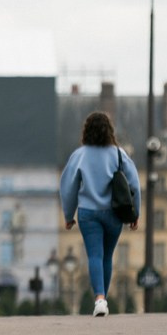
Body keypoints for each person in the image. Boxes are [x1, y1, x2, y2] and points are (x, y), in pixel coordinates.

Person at [60, 110, 140, 318]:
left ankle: (100, 299)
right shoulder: (119, 154)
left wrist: (68, 215)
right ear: (109, 131)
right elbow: (135, 185)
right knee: (107, 256)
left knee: (94, 255)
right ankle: (103, 300)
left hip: (88, 213)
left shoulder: (79, 155)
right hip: (113, 213)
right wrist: (135, 213)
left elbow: (68, 188)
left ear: (86, 131)